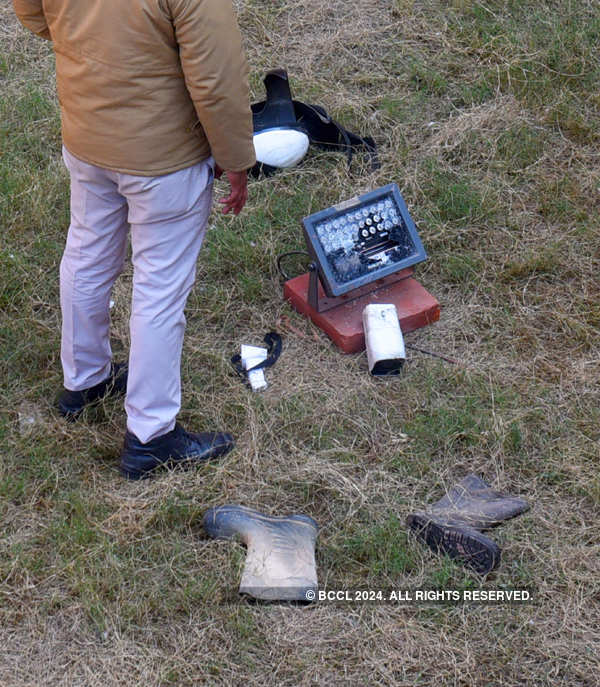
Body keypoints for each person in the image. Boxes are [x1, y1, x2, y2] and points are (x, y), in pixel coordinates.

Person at [12, 0, 256, 479]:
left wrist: (94, 56)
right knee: (160, 289)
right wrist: (235, 157)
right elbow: (217, 77)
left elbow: (31, 12)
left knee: (86, 254)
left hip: (87, 135)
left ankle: (84, 381)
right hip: (165, 158)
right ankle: (152, 434)